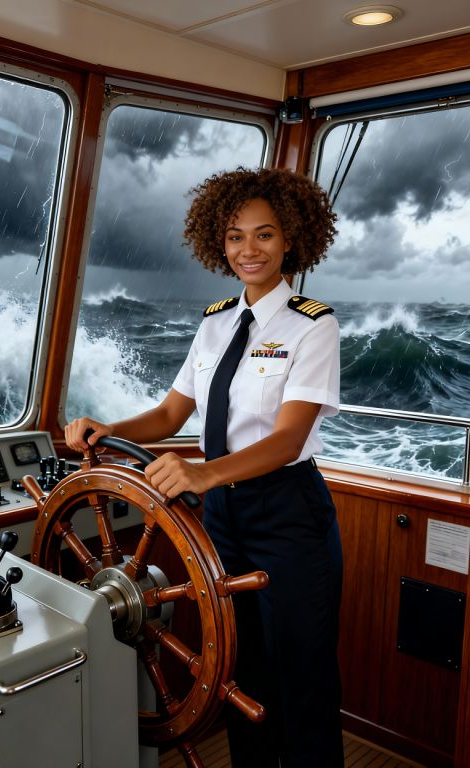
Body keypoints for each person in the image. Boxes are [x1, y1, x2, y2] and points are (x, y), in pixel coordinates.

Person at [65, 167, 343, 767]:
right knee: (237, 670)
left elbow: (289, 439)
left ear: (291, 239)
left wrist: (204, 473)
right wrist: (111, 429)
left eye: (265, 235)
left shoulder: (313, 325)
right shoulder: (215, 322)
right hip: (223, 514)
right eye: (237, 236)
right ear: (219, 241)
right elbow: (171, 413)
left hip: (286, 510)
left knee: (303, 673)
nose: (250, 250)